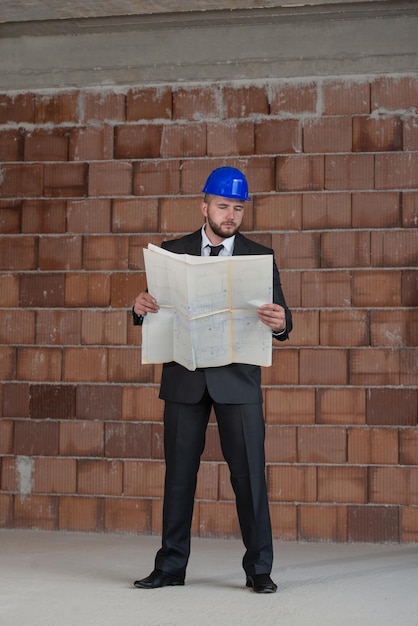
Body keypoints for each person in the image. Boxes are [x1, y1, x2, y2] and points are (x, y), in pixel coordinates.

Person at [132, 166, 292, 593]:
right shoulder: (172, 251)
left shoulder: (260, 257)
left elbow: (282, 319)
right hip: (185, 378)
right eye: (223, 206)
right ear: (205, 207)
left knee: (249, 477)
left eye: (238, 208)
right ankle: (170, 567)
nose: (231, 215)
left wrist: (280, 321)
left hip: (237, 381)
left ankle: (259, 569)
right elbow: (152, 308)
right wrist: (139, 306)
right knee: (179, 476)